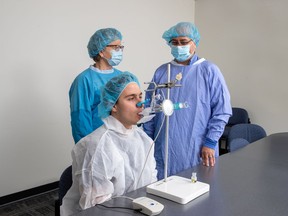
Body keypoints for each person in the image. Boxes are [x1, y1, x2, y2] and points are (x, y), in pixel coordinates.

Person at [143, 22, 232, 180]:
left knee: (197, 191)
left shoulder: (209, 70)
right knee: (164, 188)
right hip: (164, 147)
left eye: (184, 42)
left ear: (194, 43)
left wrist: (210, 142)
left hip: (197, 146)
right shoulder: (162, 71)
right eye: (175, 42)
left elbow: (222, 110)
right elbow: (150, 109)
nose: (179, 46)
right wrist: (147, 141)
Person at [61, 72, 158, 215]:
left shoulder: (144, 140)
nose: (140, 104)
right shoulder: (97, 145)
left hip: (138, 209)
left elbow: (151, 184)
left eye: (140, 96)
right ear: (113, 106)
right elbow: (96, 208)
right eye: (131, 98)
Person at [69, 28, 125, 143]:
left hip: (121, 141)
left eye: (121, 47)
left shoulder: (123, 77)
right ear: (101, 51)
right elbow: (80, 120)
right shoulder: (84, 80)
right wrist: (88, 148)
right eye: (115, 47)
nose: (120, 51)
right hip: (97, 142)